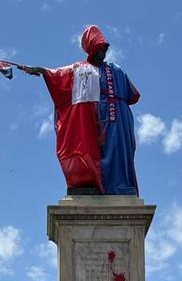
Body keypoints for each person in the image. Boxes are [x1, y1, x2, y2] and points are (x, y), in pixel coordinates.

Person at [25, 25, 141, 196]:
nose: (103, 52)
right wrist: (42, 71)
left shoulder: (116, 69)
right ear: (91, 49)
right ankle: (94, 183)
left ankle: (121, 186)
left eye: (104, 48)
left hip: (119, 117)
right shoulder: (80, 69)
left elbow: (133, 95)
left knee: (120, 151)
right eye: (99, 48)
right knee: (94, 150)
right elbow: (58, 75)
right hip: (94, 119)